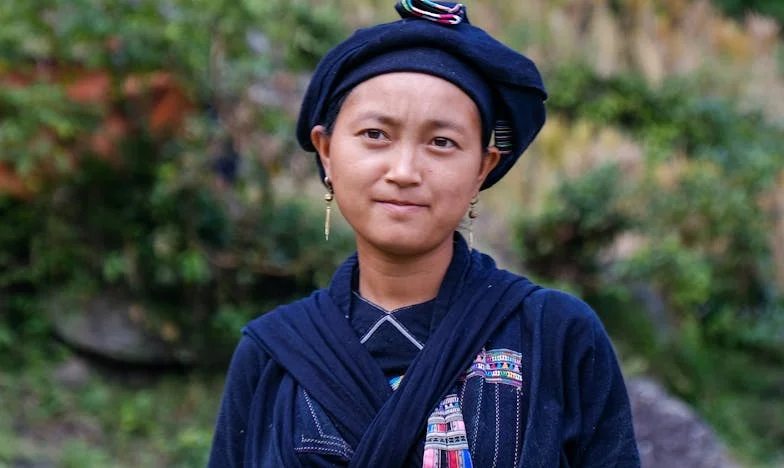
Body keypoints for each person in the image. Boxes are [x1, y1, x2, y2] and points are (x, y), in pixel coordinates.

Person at [208, 1, 640, 466]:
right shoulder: (273, 354)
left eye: (441, 142)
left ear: (482, 168)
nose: (405, 171)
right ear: (327, 151)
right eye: (376, 134)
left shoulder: (557, 336)